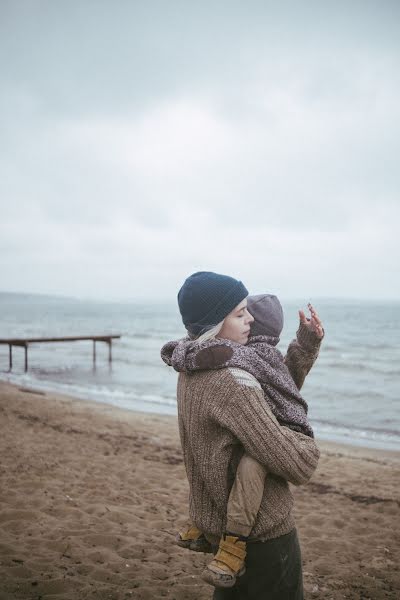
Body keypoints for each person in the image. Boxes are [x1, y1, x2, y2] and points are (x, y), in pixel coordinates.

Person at [161, 271, 321, 599]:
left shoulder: (192, 366)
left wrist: (305, 348)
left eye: (248, 309)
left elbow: (270, 398)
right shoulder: (233, 380)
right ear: (214, 323)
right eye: (239, 313)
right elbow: (297, 465)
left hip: (224, 527)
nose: (250, 319)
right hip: (264, 537)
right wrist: (305, 445)